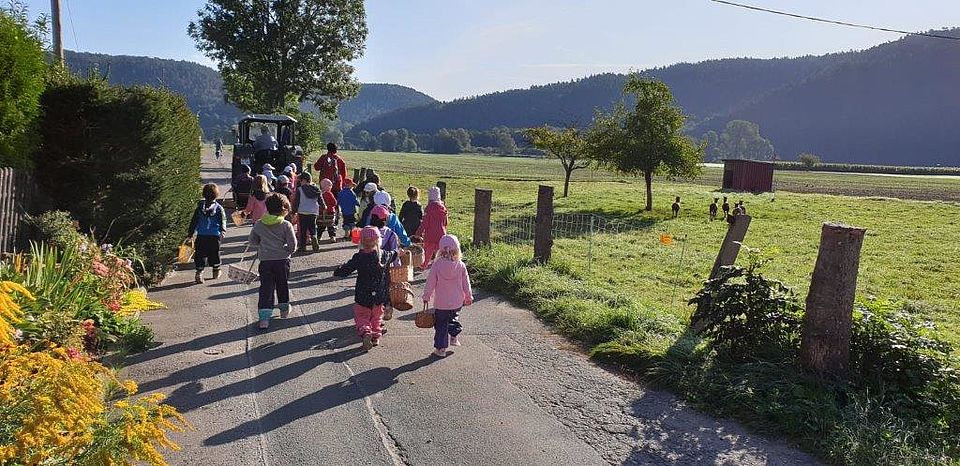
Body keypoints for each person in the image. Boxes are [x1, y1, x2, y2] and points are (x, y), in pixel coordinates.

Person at [333, 226, 396, 350]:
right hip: (379, 294)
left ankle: (366, 331)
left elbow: (347, 269)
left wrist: (337, 272)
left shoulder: (359, 257)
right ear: (378, 241)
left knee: (362, 315)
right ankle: (376, 337)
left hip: (363, 293)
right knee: (377, 316)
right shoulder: (383, 255)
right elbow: (393, 254)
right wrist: (402, 252)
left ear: (361, 241)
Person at [249, 194, 297, 329]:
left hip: (265, 260)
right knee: (282, 284)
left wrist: (262, 243)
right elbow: (293, 245)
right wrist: (286, 250)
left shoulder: (259, 224)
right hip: (282, 260)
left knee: (266, 287)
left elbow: (252, 241)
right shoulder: (286, 225)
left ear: (267, 208)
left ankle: (264, 318)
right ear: (283, 209)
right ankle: (284, 310)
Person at [422, 234, 473, 358]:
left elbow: (431, 282)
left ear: (440, 250)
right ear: (457, 249)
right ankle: (454, 335)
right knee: (452, 319)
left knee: (441, 325)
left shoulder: (437, 265)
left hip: (441, 303)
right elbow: (466, 282)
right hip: (456, 302)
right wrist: (468, 296)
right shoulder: (460, 265)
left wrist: (426, 295)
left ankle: (441, 349)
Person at [187, 183, 227, 284]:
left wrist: (191, 233)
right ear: (216, 195)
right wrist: (223, 230)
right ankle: (216, 269)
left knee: (200, 254)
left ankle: (199, 272)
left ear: (204, 194)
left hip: (201, 235)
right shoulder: (218, 208)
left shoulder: (200, 208)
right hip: (214, 235)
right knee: (214, 253)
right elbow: (223, 219)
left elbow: (194, 221)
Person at [416, 186, 448, 269]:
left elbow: (424, 223)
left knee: (427, 251)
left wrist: (419, 233)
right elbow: (446, 222)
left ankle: (423, 265)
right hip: (441, 234)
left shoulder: (429, 208)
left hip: (430, 235)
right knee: (439, 251)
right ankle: (439, 265)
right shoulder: (443, 208)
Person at [292, 172, 322, 252]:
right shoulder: (316, 189)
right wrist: (323, 206)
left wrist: (294, 210)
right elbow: (320, 200)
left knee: (303, 230)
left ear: (304, 180)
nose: (300, 182)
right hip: (313, 211)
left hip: (302, 211)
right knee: (312, 227)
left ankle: (302, 246)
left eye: (300, 181)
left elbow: (296, 201)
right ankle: (314, 237)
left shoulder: (300, 190)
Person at [319, 178, 339, 242]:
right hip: (330, 212)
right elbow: (334, 202)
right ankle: (332, 237)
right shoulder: (329, 194)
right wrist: (331, 206)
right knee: (330, 225)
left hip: (322, 213)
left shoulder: (320, 194)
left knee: (321, 225)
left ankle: (318, 236)